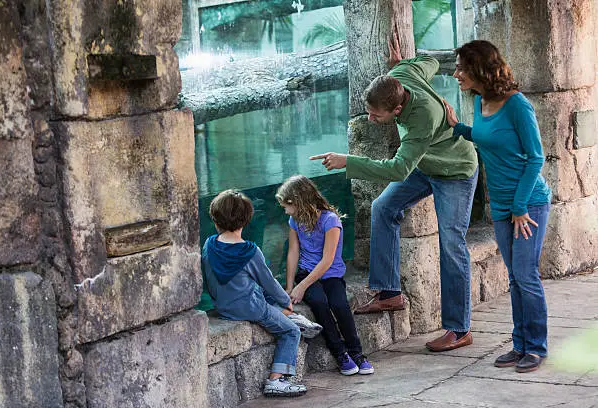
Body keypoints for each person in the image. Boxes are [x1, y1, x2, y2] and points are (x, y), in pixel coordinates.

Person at [310, 33, 478, 352]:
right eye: (369, 112)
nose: (371, 120)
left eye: (377, 116)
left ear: (398, 108)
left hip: (454, 170)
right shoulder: (398, 77)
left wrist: (349, 161)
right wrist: (404, 63)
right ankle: (389, 293)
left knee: (452, 243)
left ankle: (459, 329)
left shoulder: (423, 117)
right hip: (426, 163)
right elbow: (428, 61)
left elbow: (398, 169)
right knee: (383, 208)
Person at [444, 40, 551, 373]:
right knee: (515, 279)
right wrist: (459, 128)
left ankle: (535, 347)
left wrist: (520, 206)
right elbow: (486, 138)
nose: (456, 73)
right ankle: (519, 345)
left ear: (479, 69)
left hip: (528, 202)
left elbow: (535, 157)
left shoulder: (518, 105)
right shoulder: (479, 101)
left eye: (461, 67)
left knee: (526, 275)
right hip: (504, 207)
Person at [202, 189, 322, 397]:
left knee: (255, 289)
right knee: (290, 332)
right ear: (246, 220)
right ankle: (277, 380)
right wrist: (286, 300)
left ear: (215, 220)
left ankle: (290, 316)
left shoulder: (209, 244)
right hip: (251, 308)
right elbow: (269, 283)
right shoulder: (250, 251)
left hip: (223, 305)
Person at [277, 175, 374, 376]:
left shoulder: (330, 220)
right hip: (306, 272)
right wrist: (289, 286)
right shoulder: (294, 220)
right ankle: (340, 353)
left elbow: (327, 260)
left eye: (286, 205)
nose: (284, 210)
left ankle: (357, 353)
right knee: (320, 303)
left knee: (339, 304)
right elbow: (293, 252)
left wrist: (301, 287)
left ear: (298, 201)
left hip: (330, 274)